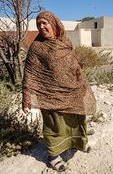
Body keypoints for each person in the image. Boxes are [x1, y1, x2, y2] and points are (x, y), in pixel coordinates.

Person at [22, 11, 96, 172]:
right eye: (39, 24)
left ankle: (78, 143)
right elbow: (30, 73)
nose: (41, 26)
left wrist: (80, 79)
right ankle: (53, 155)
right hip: (50, 93)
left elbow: (74, 60)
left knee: (76, 119)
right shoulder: (37, 47)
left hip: (72, 90)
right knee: (55, 125)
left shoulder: (64, 40)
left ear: (54, 24)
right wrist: (26, 99)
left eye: (44, 23)